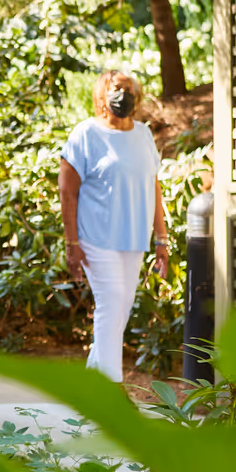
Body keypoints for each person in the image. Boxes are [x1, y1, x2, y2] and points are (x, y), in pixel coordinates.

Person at [57, 70, 170, 384]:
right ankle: (111, 390)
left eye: (130, 89)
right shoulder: (86, 134)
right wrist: (72, 243)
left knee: (120, 309)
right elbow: (67, 190)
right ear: (102, 95)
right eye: (117, 88)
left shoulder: (143, 134)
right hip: (96, 236)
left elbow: (154, 187)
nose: (125, 94)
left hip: (133, 238)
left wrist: (162, 238)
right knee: (110, 304)